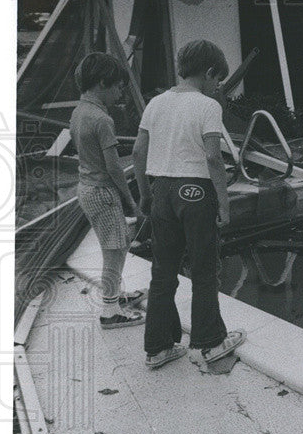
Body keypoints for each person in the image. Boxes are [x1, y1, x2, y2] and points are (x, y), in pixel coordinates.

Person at [133, 39, 245, 369]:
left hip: (162, 190)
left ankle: (158, 347)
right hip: (195, 192)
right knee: (204, 269)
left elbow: (139, 151)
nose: (217, 87)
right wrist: (224, 204)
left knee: (163, 272)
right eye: (217, 81)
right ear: (209, 72)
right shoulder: (208, 106)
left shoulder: (155, 103)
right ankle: (208, 343)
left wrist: (144, 192)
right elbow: (212, 157)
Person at [71, 53, 146, 329]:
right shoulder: (102, 119)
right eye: (117, 87)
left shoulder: (79, 112)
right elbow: (114, 168)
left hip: (86, 187)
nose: (120, 93)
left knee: (117, 245)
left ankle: (115, 295)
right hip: (103, 192)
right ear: (103, 83)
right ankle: (110, 311)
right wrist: (129, 201)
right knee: (114, 250)